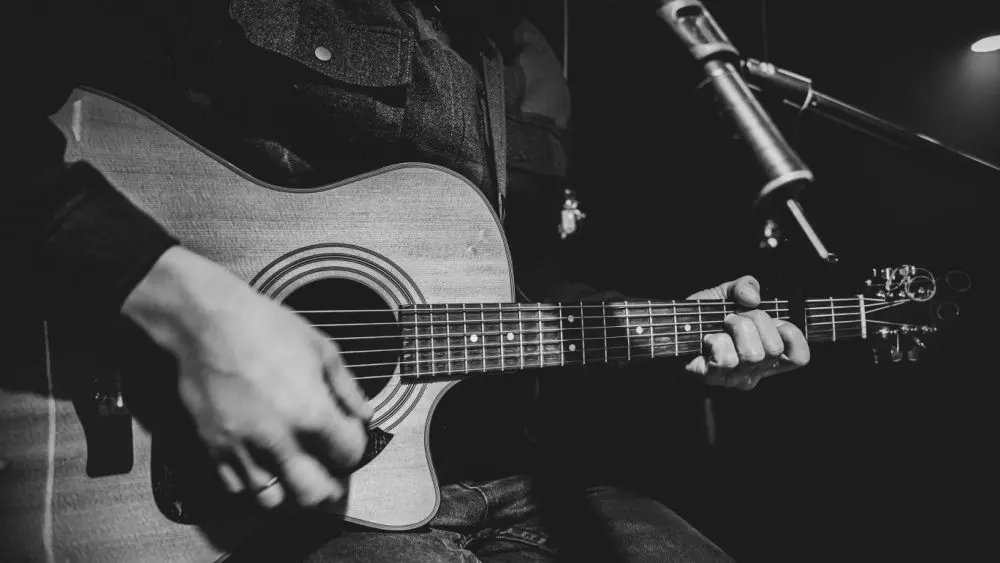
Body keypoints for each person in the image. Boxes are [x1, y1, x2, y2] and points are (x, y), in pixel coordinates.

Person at [7, 1, 810, 561]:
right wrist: (189, 305)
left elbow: (509, 281)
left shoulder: (512, 48)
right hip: (253, 493)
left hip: (489, 468)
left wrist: (673, 326)